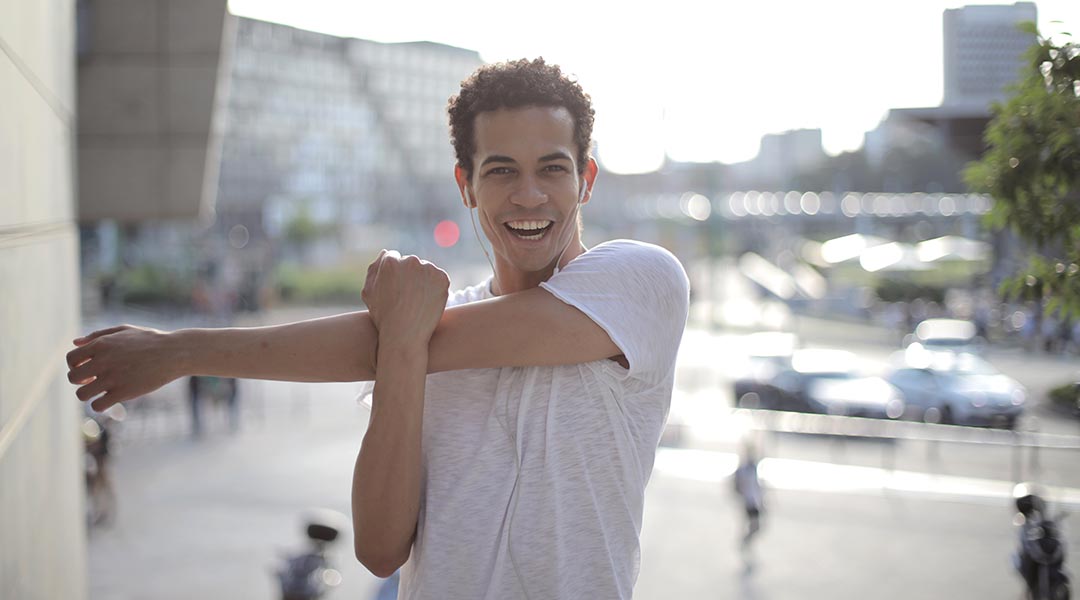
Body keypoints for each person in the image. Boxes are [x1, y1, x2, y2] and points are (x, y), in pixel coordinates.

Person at [66, 58, 689, 599]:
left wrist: (180, 351)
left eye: (552, 169)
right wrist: (400, 349)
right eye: (500, 171)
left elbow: (407, 342)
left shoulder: (641, 280)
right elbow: (381, 551)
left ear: (585, 179)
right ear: (465, 185)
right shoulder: (410, 339)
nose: (529, 195)